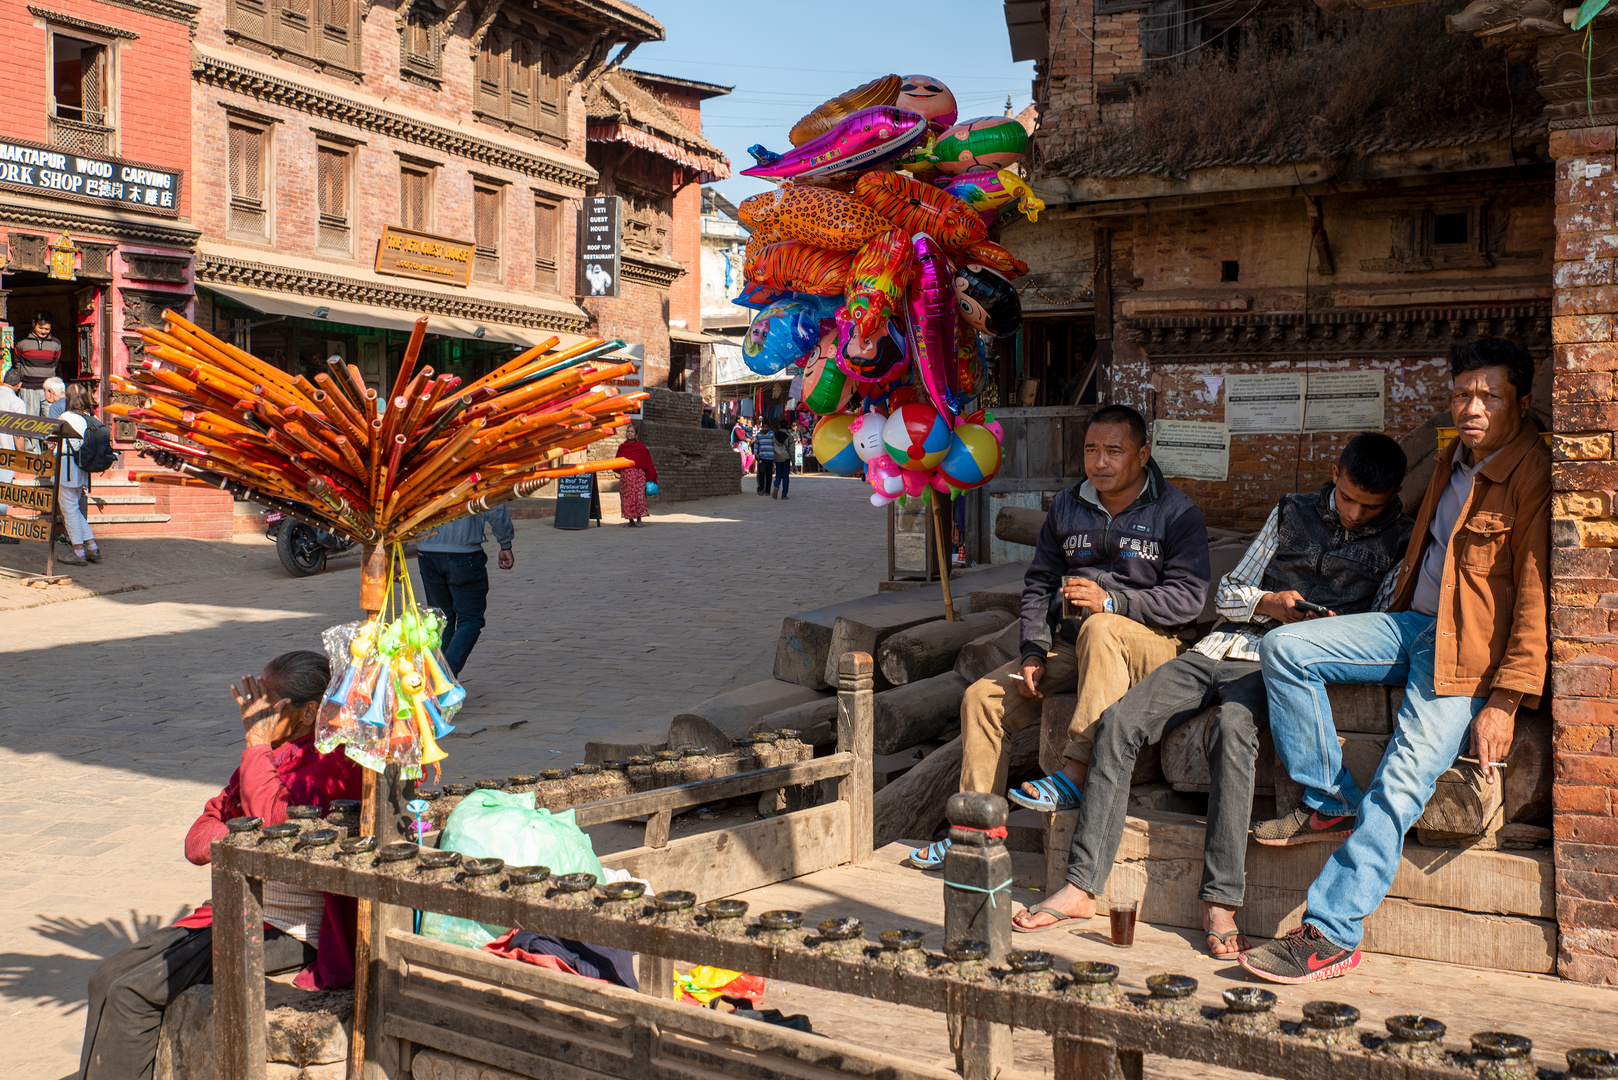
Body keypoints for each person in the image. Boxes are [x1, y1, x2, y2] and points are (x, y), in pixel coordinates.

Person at [1009, 435, 1414, 954]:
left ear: (1394, 495)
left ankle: (1219, 902)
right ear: (1335, 473)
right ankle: (1082, 886)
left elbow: (1378, 626)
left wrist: (1323, 629)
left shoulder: (1400, 539)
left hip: (1282, 666)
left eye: (1370, 506)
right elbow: (1227, 591)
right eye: (1349, 498)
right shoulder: (1291, 510)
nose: (1355, 514)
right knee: (1118, 723)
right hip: (1220, 645)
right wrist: (1268, 601)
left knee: (1232, 729)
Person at [1240, 339, 1550, 985]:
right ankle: (1327, 798)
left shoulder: (1530, 474)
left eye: (1489, 395)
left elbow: (1535, 593)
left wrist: (1505, 700)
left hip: (1467, 654)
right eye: (1463, 392)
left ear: (1518, 401)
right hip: (1412, 624)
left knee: (1401, 781)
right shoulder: (1450, 461)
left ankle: (1331, 933)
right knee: (1285, 647)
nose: (1472, 406)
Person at [907, 405, 1211, 869]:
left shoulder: (1176, 511)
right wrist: (1032, 650)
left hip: (1156, 647)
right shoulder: (1067, 505)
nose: (1100, 462)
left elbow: (1188, 600)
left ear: (1143, 454)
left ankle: (1075, 772)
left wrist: (1113, 601)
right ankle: (975, 829)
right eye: (1092, 449)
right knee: (981, 699)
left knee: (1102, 625)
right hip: (1077, 648)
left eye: (1114, 450)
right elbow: (1039, 585)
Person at [78, 651, 362, 1080]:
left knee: (131, 994)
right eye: (254, 700)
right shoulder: (272, 755)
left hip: (291, 926)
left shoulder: (325, 762)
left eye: (268, 703)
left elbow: (273, 831)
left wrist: (255, 749)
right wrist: (239, 835)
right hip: (238, 911)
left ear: (307, 713)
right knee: (106, 977)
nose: (254, 714)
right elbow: (198, 840)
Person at [414, 504, 514, 676]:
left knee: (441, 618)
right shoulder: (475, 475)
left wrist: (394, 554)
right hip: (463, 552)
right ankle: (445, 674)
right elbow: (494, 503)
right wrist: (505, 543)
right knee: (470, 619)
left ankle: (435, 677)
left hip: (427, 552)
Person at [57, 383, 101, 565]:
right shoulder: (89, 418)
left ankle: (78, 552)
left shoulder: (65, 417)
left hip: (66, 469)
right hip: (81, 469)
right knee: (74, 508)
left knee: (69, 511)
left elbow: (50, 440)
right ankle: (91, 547)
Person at [14, 311, 62, 420]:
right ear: (33, 323)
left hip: (48, 389)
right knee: (30, 421)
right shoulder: (22, 342)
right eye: (40, 327)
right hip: (28, 388)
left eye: (47, 329)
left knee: (50, 421)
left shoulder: (56, 343)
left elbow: (55, 363)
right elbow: (17, 362)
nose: (43, 331)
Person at [0, 368, 27, 545]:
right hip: (6, 453)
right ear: (19, 385)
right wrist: (22, 456)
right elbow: (19, 434)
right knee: (3, 494)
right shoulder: (17, 402)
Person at [615, 424, 658, 527]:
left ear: (636, 435)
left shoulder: (641, 448)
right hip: (626, 478)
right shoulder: (622, 447)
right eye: (628, 431)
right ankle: (630, 521)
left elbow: (647, 462)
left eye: (632, 432)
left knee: (639, 496)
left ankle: (639, 519)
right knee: (627, 497)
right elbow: (617, 462)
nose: (629, 433)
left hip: (639, 476)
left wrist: (649, 476)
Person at [771, 423, 793, 500]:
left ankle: (776, 486)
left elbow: (773, 445)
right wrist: (793, 460)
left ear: (780, 426)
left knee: (778, 474)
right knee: (785, 477)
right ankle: (784, 495)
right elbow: (791, 449)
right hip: (786, 458)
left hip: (778, 458)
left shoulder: (775, 435)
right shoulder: (789, 436)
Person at [754, 422, 776, 496]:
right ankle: (761, 489)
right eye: (763, 427)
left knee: (769, 475)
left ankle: (767, 490)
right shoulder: (758, 435)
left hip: (770, 457)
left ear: (768, 427)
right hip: (761, 457)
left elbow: (775, 445)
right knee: (761, 473)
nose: (765, 428)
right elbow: (756, 445)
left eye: (766, 427)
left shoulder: (772, 435)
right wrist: (756, 453)